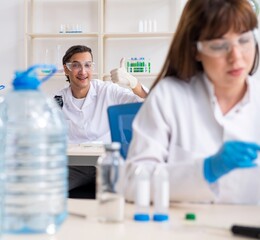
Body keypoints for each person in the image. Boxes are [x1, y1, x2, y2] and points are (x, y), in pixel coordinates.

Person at [124, 0, 260, 205]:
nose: (236, 57)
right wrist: (204, 170)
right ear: (195, 49)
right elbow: (133, 182)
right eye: (219, 45)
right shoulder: (169, 96)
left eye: (244, 40)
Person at [54, 45, 148, 191]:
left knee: (135, 190)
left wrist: (133, 83)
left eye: (88, 65)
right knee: (51, 188)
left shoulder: (107, 90)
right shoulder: (58, 99)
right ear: (66, 69)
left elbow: (149, 104)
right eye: (76, 65)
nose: (83, 71)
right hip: (75, 166)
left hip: (107, 162)